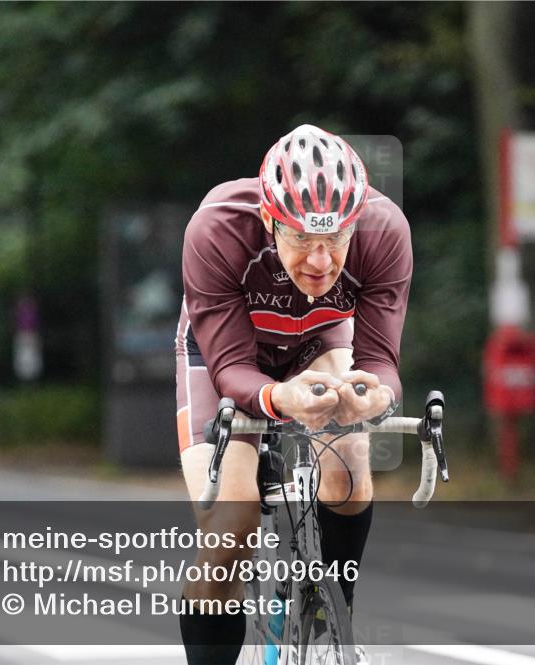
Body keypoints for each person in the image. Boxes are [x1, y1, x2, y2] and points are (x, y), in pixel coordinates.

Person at [175, 124, 412, 664]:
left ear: (357, 224)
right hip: (225, 354)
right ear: (268, 219)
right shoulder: (216, 228)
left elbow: (380, 367)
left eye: (336, 240)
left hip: (319, 341)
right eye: (302, 238)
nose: (322, 261)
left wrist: (372, 400)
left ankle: (335, 614)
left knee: (350, 460)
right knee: (229, 530)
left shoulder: (384, 232)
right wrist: (282, 399)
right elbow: (231, 368)